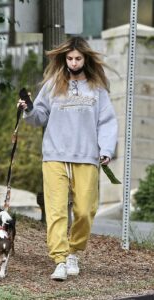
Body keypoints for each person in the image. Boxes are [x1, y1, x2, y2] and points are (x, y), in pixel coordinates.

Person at [18, 36, 118, 281]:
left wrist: (106, 149)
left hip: (87, 156)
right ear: (65, 60)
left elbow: (107, 121)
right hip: (54, 155)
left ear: (85, 59)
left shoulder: (97, 88)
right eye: (70, 59)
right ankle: (60, 259)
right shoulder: (53, 84)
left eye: (78, 58)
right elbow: (39, 115)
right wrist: (28, 109)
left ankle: (74, 250)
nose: (73, 63)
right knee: (56, 210)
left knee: (85, 210)